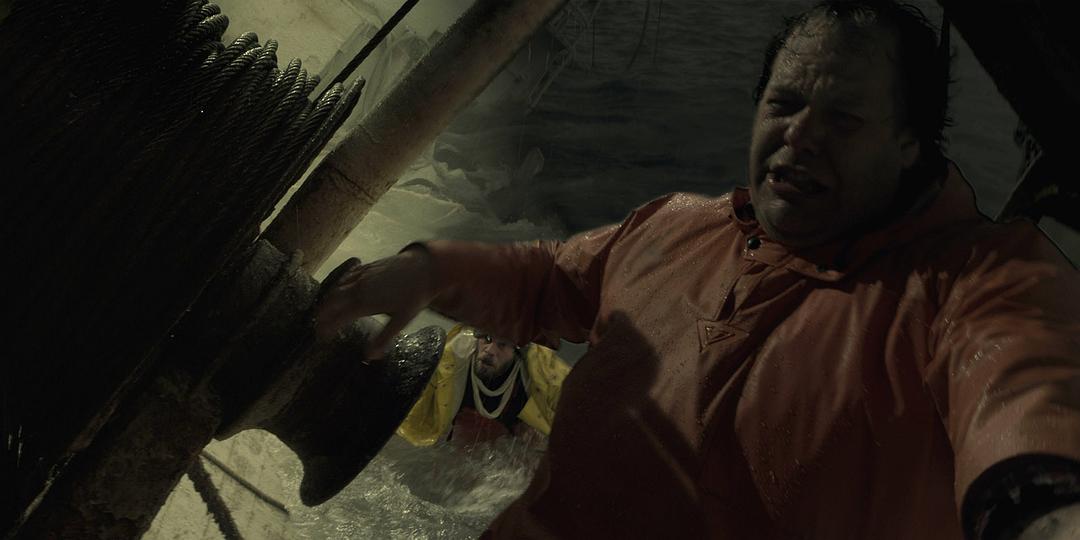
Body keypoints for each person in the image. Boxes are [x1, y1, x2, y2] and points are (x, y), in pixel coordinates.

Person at [316, 1, 1080, 538]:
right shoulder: (675, 225)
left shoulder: (979, 281)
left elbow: (1020, 386)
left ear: (910, 144)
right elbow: (547, 279)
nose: (800, 135)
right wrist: (430, 270)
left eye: (843, 118)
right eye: (784, 103)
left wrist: (1041, 504)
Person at [396, 325, 570, 447]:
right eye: (487, 339)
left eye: (502, 345)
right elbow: (408, 415)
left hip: (503, 456)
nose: (490, 350)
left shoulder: (540, 378)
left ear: (516, 352)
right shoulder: (450, 363)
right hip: (447, 450)